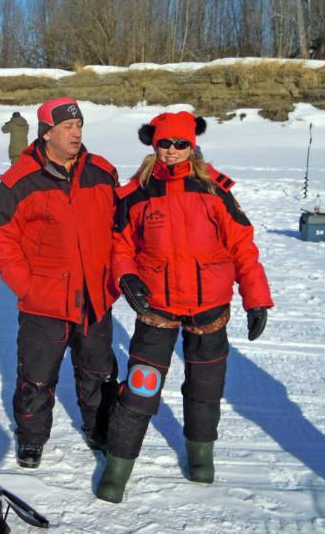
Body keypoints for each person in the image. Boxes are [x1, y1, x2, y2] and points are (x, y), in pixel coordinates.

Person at [95, 111, 273, 502]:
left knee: (205, 388)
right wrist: (127, 277)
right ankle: (118, 467)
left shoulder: (214, 190)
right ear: (153, 145)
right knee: (141, 388)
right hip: (156, 306)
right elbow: (120, 246)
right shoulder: (137, 194)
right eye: (165, 143)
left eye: (181, 144)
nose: (172, 151)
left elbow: (243, 246)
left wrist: (256, 298)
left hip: (209, 306)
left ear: (192, 147)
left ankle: (200, 456)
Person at [0, 98, 120, 468]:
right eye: (67, 128)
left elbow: (120, 230)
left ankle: (99, 429)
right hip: (44, 298)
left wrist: (115, 277)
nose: (76, 133)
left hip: (95, 296)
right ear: (47, 133)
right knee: (37, 376)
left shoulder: (102, 173)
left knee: (99, 371)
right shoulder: (20, 181)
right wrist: (26, 286)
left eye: (79, 127)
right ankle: (31, 437)